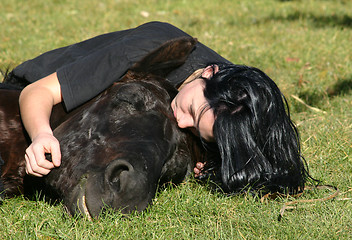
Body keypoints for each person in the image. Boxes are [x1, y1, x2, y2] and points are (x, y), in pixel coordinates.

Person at [9, 21, 310, 194]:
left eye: (198, 132)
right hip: (27, 98)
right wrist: (41, 136)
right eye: (191, 110)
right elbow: (37, 93)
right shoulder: (148, 48)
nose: (181, 121)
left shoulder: (235, 102)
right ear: (209, 72)